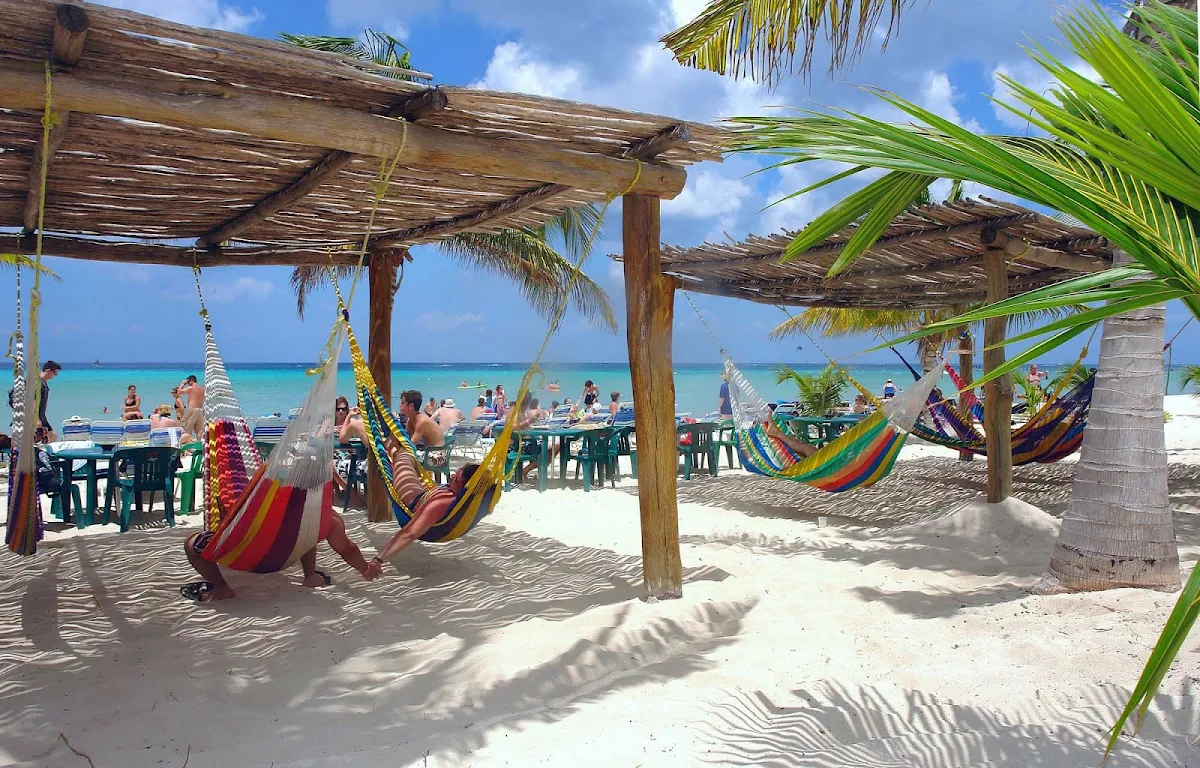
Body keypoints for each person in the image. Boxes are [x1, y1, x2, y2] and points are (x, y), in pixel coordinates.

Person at [181, 488, 375, 602]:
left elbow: (227, 529)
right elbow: (347, 549)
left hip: (243, 552)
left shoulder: (260, 506)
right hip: (283, 556)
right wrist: (366, 568)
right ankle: (310, 576)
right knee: (308, 531)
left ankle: (222, 588)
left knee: (191, 543)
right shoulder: (325, 518)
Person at [363, 441, 481, 579]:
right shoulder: (470, 499)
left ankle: (394, 445)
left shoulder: (442, 503)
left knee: (403, 458)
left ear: (466, 488)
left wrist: (378, 560)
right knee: (404, 456)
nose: (453, 477)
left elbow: (409, 533)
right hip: (426, 491)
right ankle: (395, 445)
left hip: (411, 496)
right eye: (456, 473)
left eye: (457, 479)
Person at [36, 361, 61, 443]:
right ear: (48, 370)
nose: (55, 376)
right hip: (35, 417)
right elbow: (33, 400)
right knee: (39, 439)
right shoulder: (38, 383)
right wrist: (36, 419)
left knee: (52, 436)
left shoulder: (43, 383)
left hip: (42, 416)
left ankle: (46, 454)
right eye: (55, 373)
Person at [179, 375, 205, 440]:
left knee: (185, 429)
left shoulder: (191, 388)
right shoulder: (202, 389)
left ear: (191, 381)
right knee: (199, 431)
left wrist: (182, 384)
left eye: (188, 382)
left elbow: (179, 392)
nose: (187, 384)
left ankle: (187, 447)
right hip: (201, 411)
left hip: (191, 410)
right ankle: (200, 446)